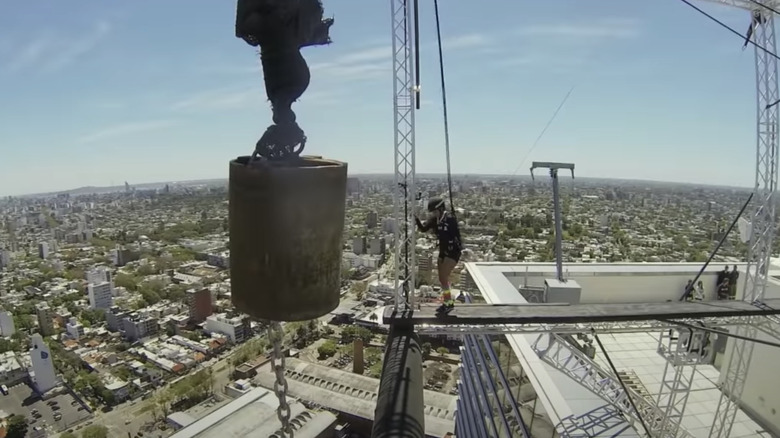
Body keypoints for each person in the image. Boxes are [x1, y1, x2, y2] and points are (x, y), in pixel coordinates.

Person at [415, 197, 463, 313]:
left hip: (453, 252)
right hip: (443, 252)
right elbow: (423, 229)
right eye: (433, 212)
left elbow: (457, 236)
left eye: (435, 211)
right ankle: (447, 302)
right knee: (443, 280)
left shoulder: (450, 219)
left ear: (441, 209)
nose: (434, 214)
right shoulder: (435, 220)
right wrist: (416, 219)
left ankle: (448, 303)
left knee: (443, 278)